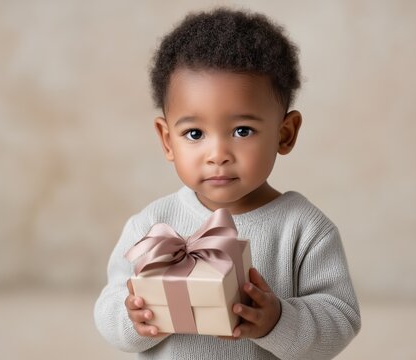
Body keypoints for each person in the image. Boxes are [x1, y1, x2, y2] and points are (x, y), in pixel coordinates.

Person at [94, 7, 361, 360]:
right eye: (194, 133)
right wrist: (134, 318)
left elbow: (340, 320)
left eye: (242, 131)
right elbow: (109, 305)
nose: (217, 153)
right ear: (166, 140)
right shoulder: (152, 224)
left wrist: (278, 321)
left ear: (285, 133)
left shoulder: (304, 229)